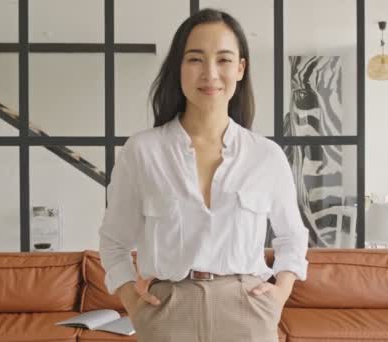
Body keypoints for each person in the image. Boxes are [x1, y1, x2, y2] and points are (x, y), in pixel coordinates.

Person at [98, 8, 309, 342]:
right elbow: (113, 240)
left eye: (224, 59)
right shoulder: (142, 151)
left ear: (240, 68)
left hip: (248, 310)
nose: (210, 73)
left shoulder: (265, 155)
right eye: (195, 59)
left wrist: (280, 294)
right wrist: (132, 301)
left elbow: (292, 237)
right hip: (167, 311)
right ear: (178, 68)